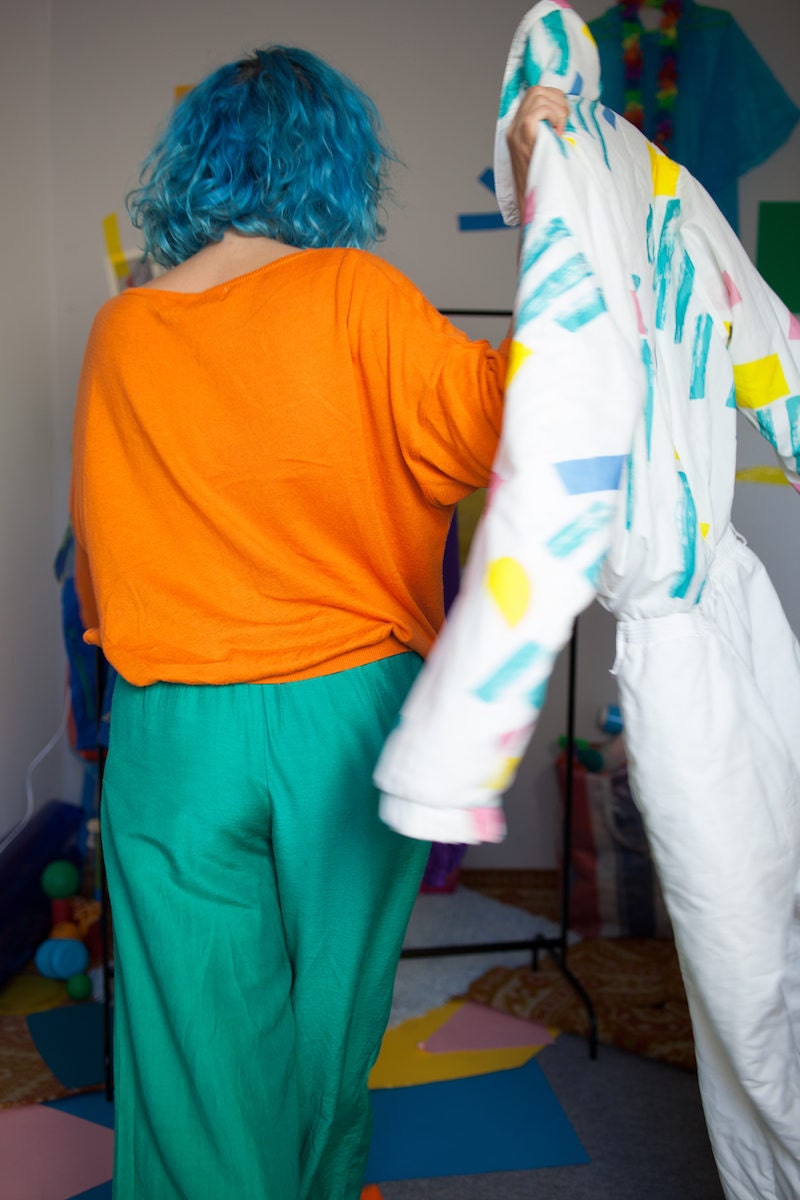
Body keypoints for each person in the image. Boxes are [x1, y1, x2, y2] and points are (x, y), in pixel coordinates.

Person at [69, 44, 567, 1200]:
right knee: (325, 1022)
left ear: (190, 165)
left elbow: (99, 563)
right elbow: (526, 416)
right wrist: (545, 191)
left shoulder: (121, 328)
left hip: (171, 725)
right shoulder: (357, 297)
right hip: (343, 719)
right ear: (333, 167)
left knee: (192, 1044)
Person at [374, 4, 800, 1198]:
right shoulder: (680, 195)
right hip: (742, 610)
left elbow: (559, 453)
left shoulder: (574, 198)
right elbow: (775, 358)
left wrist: (457, 739)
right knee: (775, 922)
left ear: (518, 118)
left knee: (740, 968)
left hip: (684, 638)